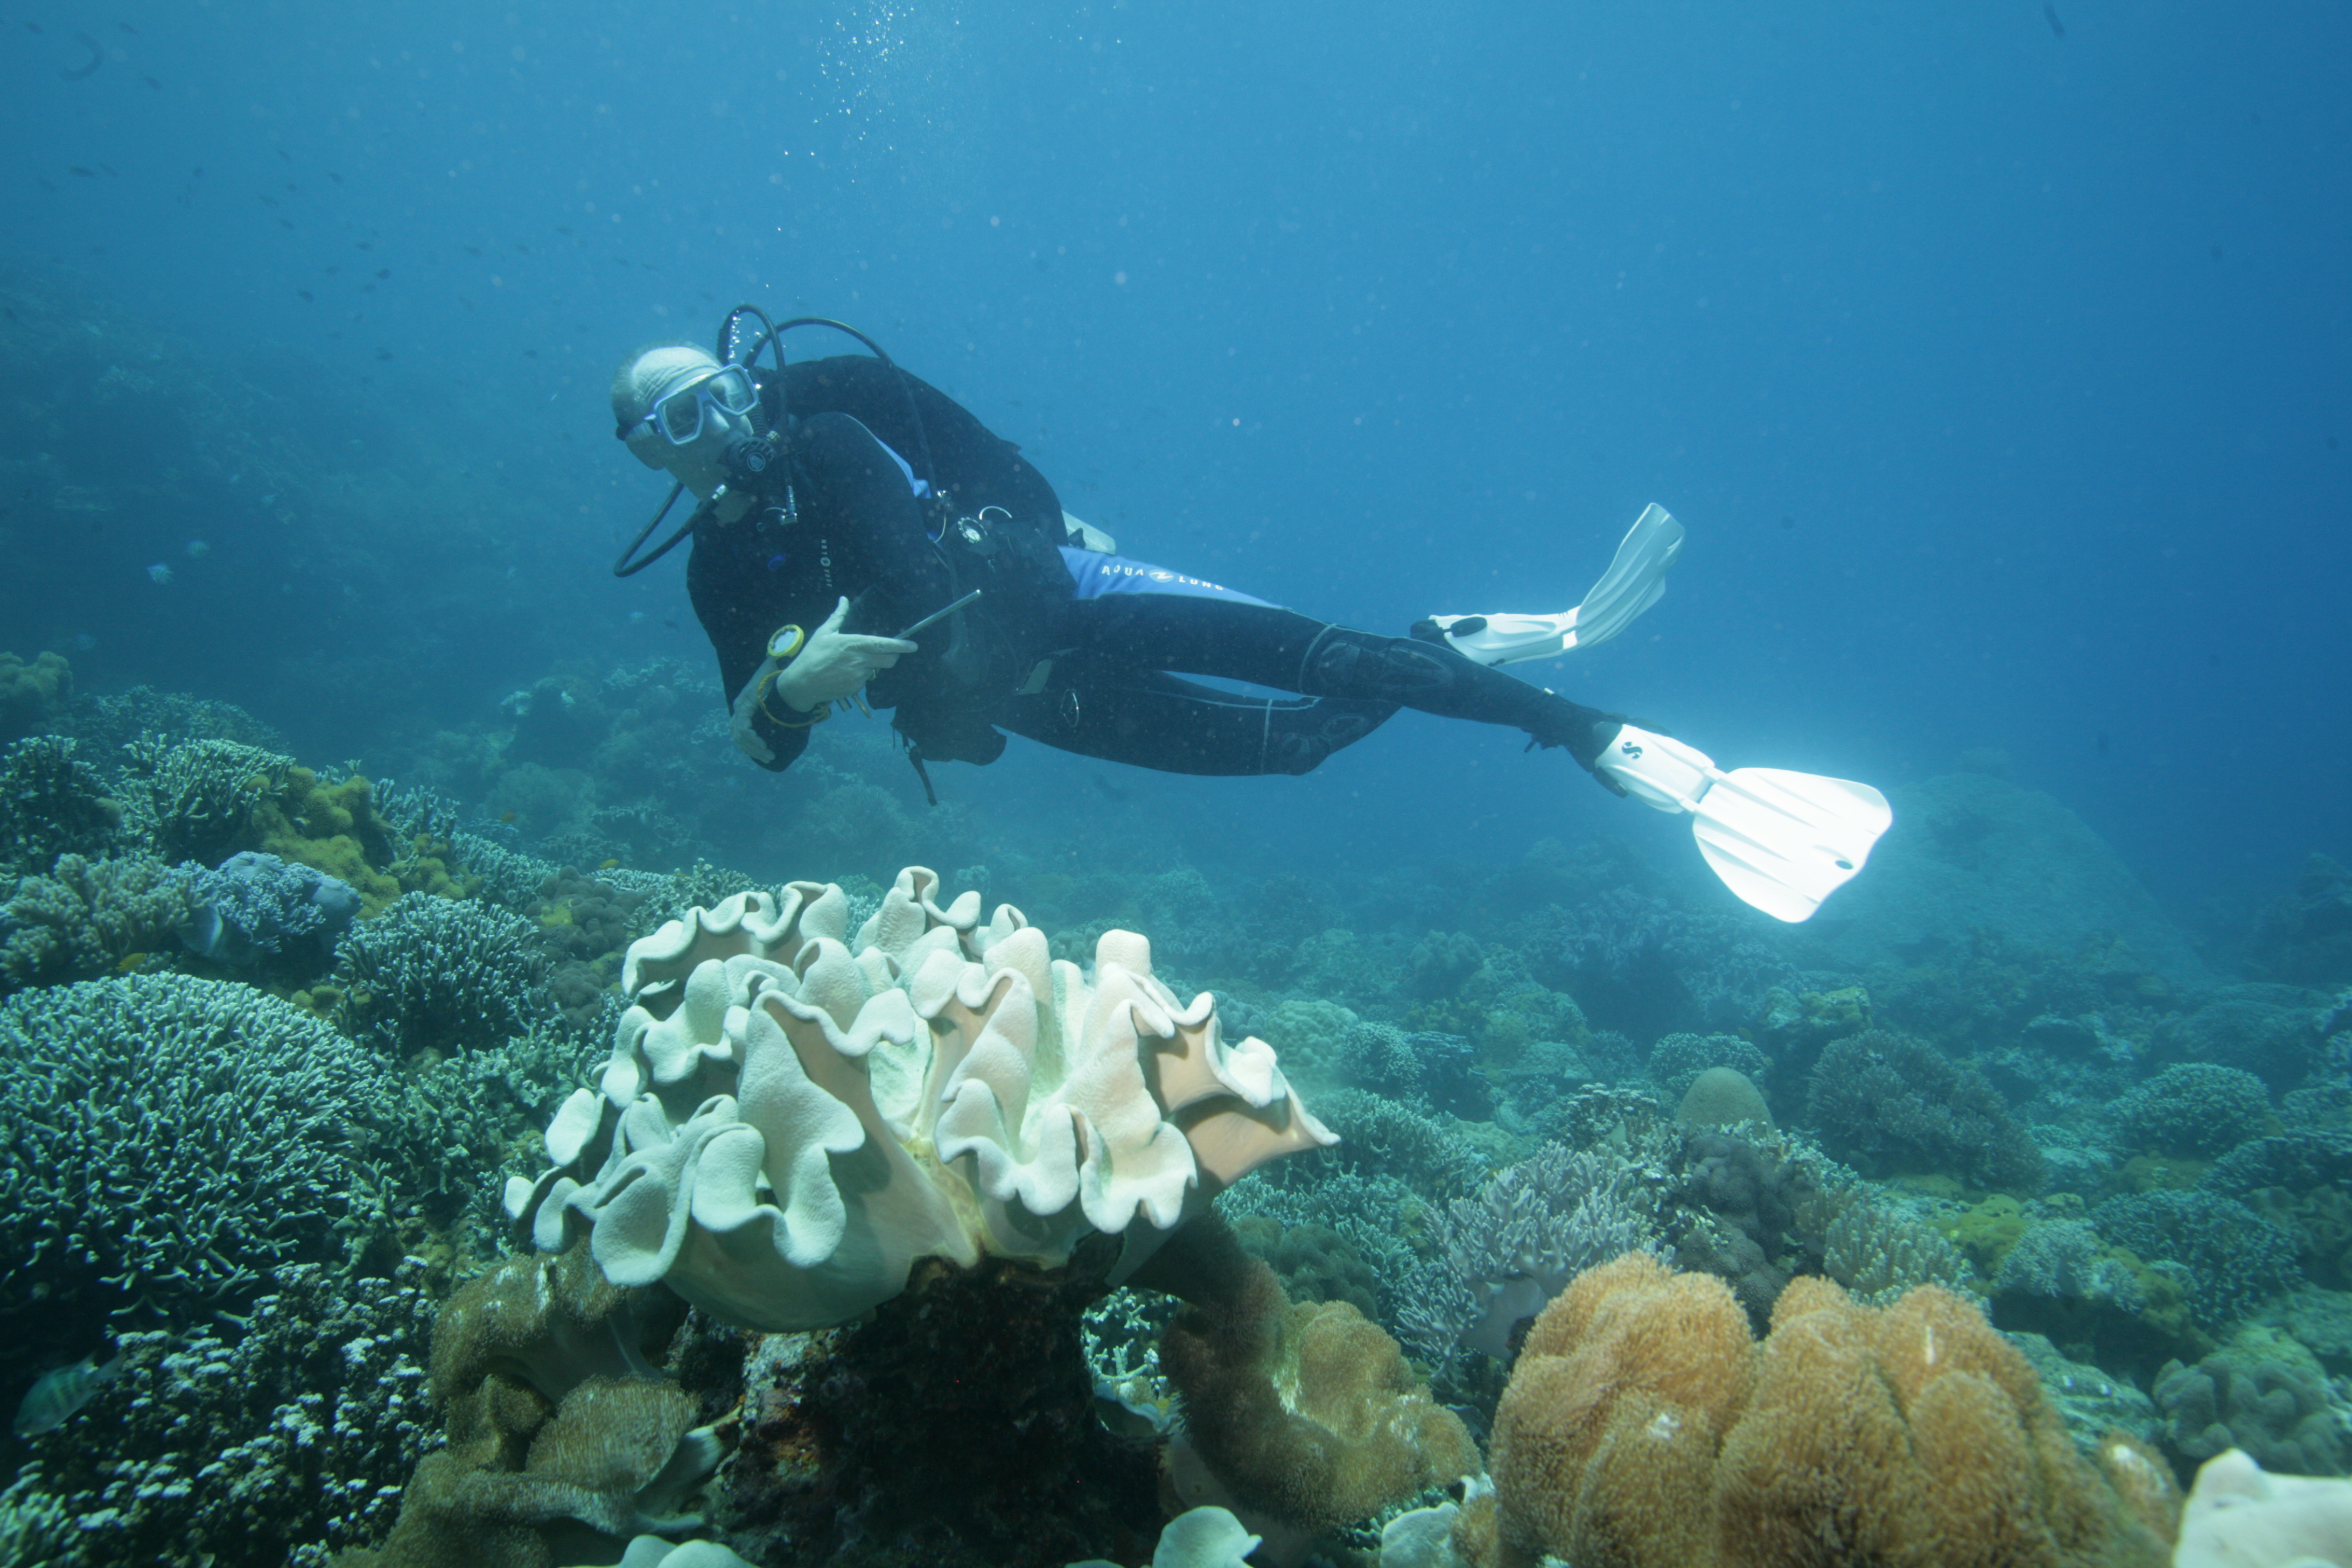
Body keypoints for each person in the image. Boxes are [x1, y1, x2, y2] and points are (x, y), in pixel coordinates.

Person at [610, 312, 1889, 921]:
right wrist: (794, 688)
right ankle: (1441, 645)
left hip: (1072, 593)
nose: (713, 422)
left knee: (1322, 652)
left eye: (714, 390)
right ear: (650, 457)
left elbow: (975, 447)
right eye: (674, 420)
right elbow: (756, 745)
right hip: (1025, 697)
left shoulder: (833, 419)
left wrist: (1050, 528)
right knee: (1299, 741)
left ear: (742, 374)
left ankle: (1594, 733)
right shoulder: (718, 576)